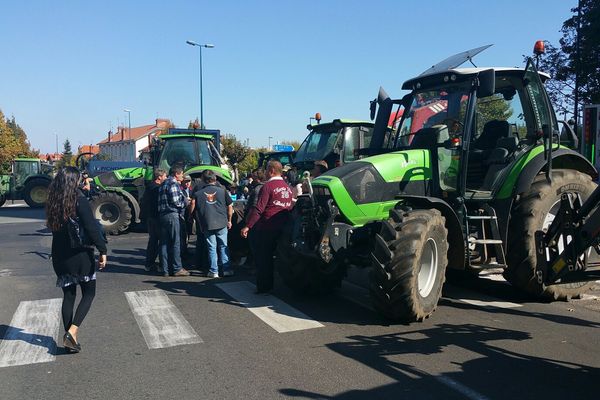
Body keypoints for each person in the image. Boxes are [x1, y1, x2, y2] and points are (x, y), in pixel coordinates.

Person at [46, 166, 107, 353]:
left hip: (59, 255)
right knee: (89, 293)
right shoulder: (79, 200)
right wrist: (102, 249)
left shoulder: (53, 201)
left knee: (69, 295)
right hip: (79, 255)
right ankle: (72, 331)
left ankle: (70, 340)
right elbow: (91, 228)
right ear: (75, 181)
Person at [241, 161, 293, 294]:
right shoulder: (287, 187)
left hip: (268, 226)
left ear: (271, 171)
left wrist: (248, 225)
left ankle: (264, 286)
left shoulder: (268, 186)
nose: (264, 173)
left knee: (264, 258)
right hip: (284, 226)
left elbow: (259, 208)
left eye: (266, 170)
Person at [190, 170, 234, 278]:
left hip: (207, 223)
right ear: (214, 179)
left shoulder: (198, 193)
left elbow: (192, 204)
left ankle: (214, 271)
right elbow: (230, 206)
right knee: (223, 246)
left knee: (211, 247)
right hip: (221, 222)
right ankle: (226, 269)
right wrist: (229, 220)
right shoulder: (222, 191)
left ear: (203, 180)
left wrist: (191, 216)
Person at [158, 165, 190, 277]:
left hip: (162, 215)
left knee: (164, 243)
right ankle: (177, 268)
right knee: (176, 242)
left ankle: (165, 269)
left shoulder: (163, 184)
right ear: (176, 174)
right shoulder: (173, 183)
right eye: (181, 174)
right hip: (172, 215)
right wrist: (186, 203)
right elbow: (176, 202)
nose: (182, 176)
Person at [140, 168, 167, 273]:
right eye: (164, 176)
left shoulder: (149, 187)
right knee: (162, 242)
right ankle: (161, 265)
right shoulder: (158, 189)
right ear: (159, 177)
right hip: (157, 217)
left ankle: (149, 264)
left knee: (153, 241)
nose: (165, 178)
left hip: (150, 218)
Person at [180, 175, 193, 257]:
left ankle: (185, 248)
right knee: (182, 234)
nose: (187, 183)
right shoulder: (180, 190)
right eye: (186, 181)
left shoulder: (192, 190)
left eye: (189, 181)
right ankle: (182, 251)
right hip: (182, 214)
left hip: (189, 215)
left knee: (188, 233)